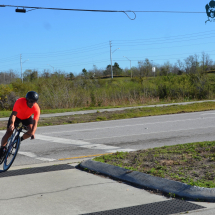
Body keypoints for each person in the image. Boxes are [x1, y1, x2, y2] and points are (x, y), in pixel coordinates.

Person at [0, 91, 40, 159]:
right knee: (9, 132)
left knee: (31, 131)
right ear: (27, 100)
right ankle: (2, 149)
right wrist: (12, 124)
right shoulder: (20, 101)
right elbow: (14, 114)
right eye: (31, 101)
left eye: (34, 101)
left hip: (27, 118)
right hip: (16, 116)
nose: (32, 103)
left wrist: (33, 133)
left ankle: (18, 140)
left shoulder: (36, 108)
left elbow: (35, 123)